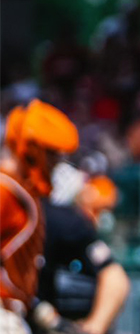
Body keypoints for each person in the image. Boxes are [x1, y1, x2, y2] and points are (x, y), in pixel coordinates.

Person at [1, 101, 79, 333]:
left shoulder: (22, 191)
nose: (56, 163)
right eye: (52, 154)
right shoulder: (5, 190)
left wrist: (47, 317)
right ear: (31, 149)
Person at [38, 175, 130, 334]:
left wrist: (93, 327)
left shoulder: (78, 234)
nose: (95, 217)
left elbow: (116, 279)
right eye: (94, 209)